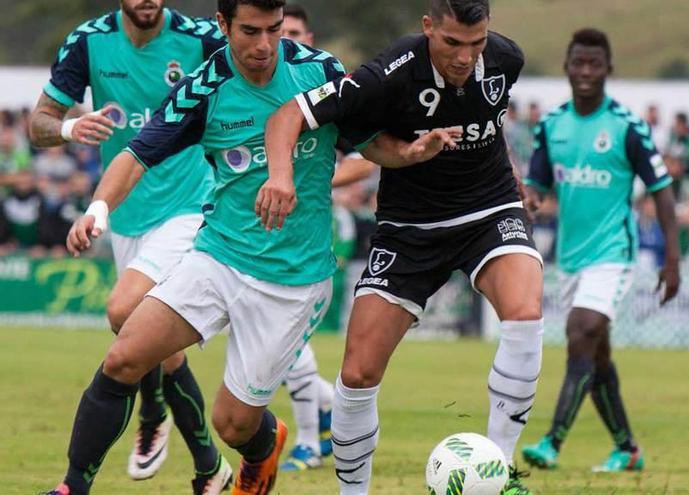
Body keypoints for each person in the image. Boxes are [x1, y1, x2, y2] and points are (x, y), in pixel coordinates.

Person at [40, 1, 455, 494]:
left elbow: (369, 142)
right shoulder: (204, 87)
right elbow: (136, 154)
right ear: (223, 26)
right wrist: (98, 210)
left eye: (273, 30)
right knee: (124, 357)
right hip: (218, 257)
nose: (263, 46)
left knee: (233, 424)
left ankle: (263, 448)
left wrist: (409, 153)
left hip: (293, 280)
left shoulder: (319, 72)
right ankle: (71, 487)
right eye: (250, 32)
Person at [261, 1, 543, 493]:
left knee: (525, 312)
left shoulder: (505, 59)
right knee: (358, 372)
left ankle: (501, 469)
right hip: (409, 226)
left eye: (475, 43)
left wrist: (516, 183)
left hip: (489, 210)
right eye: (452, 43)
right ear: (428, 27)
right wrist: (282, 177)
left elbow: (490, 127)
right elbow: (289, 116)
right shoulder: (386, 75)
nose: (464, 57)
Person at [28, 1, 230, 490]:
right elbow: (40, 123)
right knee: (142, 337)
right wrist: (71, 128)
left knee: (123, 310)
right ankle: (209, 467)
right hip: (124, 213)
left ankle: (152, 412)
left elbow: (253, 80)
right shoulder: (89, 41)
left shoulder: (201, 38)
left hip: (190, 206)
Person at [519, 27, 680, 473]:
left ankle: (552, 442)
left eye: (594, 64)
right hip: (570, 257)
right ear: (567, 67)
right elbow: (537, 181)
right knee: (594, 356)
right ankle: (627, 448)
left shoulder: (627, 127)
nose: (586, 71)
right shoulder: (552, 126)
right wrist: (530, 196)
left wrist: (672, 259)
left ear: (609, 68)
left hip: (614, 253)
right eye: (578, 63)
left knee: (580, 331)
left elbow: (663, 192)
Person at [277, 2, 377, 472]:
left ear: (310, 39)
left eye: (295, 33)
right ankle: (330, 413)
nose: (285, 41)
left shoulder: (322, 94)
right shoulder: (249, 86)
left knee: (287, 344)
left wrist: (319, 181)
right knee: (267, 356)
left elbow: (368, 154)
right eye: (281, 32)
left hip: (305, 244)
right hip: (243, 241)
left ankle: (307, 444)